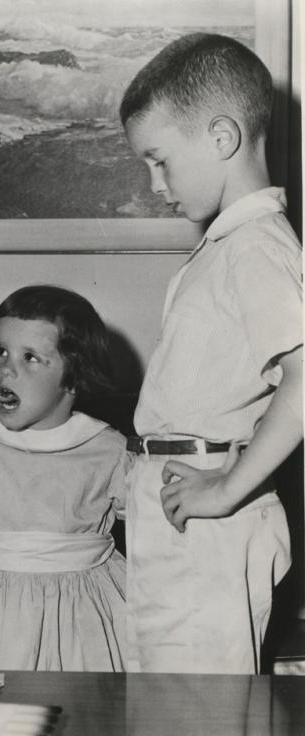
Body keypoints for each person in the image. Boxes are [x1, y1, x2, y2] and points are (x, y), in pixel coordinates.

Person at [119, 33, 302, 673]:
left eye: (160, 160)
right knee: (166, 721)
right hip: (178, 515)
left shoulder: (256, 247)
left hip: (208, 523)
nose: (154, 182)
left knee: (200, 727)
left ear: (222, 138)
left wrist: (226, 490)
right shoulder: (228, 246)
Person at [0, 285, 132, 671]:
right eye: (1, 351)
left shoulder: (108, 449)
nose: (7, 368)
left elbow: (146, 540)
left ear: (74, 378)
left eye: (31, 358)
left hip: (89, 610)